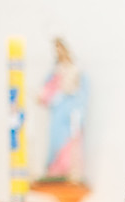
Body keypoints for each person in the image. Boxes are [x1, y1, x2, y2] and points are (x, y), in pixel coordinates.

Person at [38, 36, 89, 180]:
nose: (57, 52)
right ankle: (57, 169)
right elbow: (47, 91)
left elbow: (82, 93)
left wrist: (77, 109)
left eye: (59, 48)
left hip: (70, 111)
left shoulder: (76, 70)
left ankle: (70, 169)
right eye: (55, 50)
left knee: (71, 139)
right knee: (57, 138)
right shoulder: (55, 72)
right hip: (58, 110)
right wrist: (43, 96)